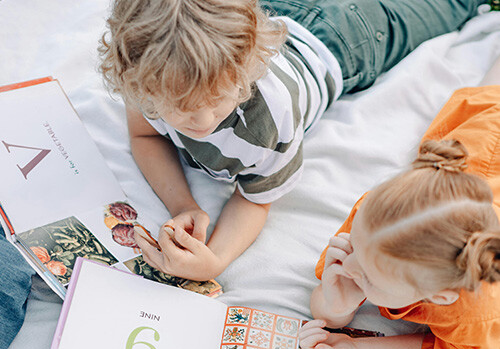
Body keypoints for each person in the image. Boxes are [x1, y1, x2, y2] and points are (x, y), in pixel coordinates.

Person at [99, 0, 487, 281]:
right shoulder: (148, 81)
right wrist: (183, 203)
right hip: (278, 11)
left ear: (246, 72)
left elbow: (255, 198)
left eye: (217, 101)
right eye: (180, 109)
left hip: (349, 39)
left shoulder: (269, 122)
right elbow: (145, 134)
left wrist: (215, 260)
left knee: (451, 6)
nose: (200, 121)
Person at [299, 56, 500, 349]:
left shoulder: (474, 313)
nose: (349, 267)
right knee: (490, 100)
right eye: (355, 251)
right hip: (479, 145)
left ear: (440, 296)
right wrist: (336, 306)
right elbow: (327, 309)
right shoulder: (377, 221)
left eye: (370, 278)